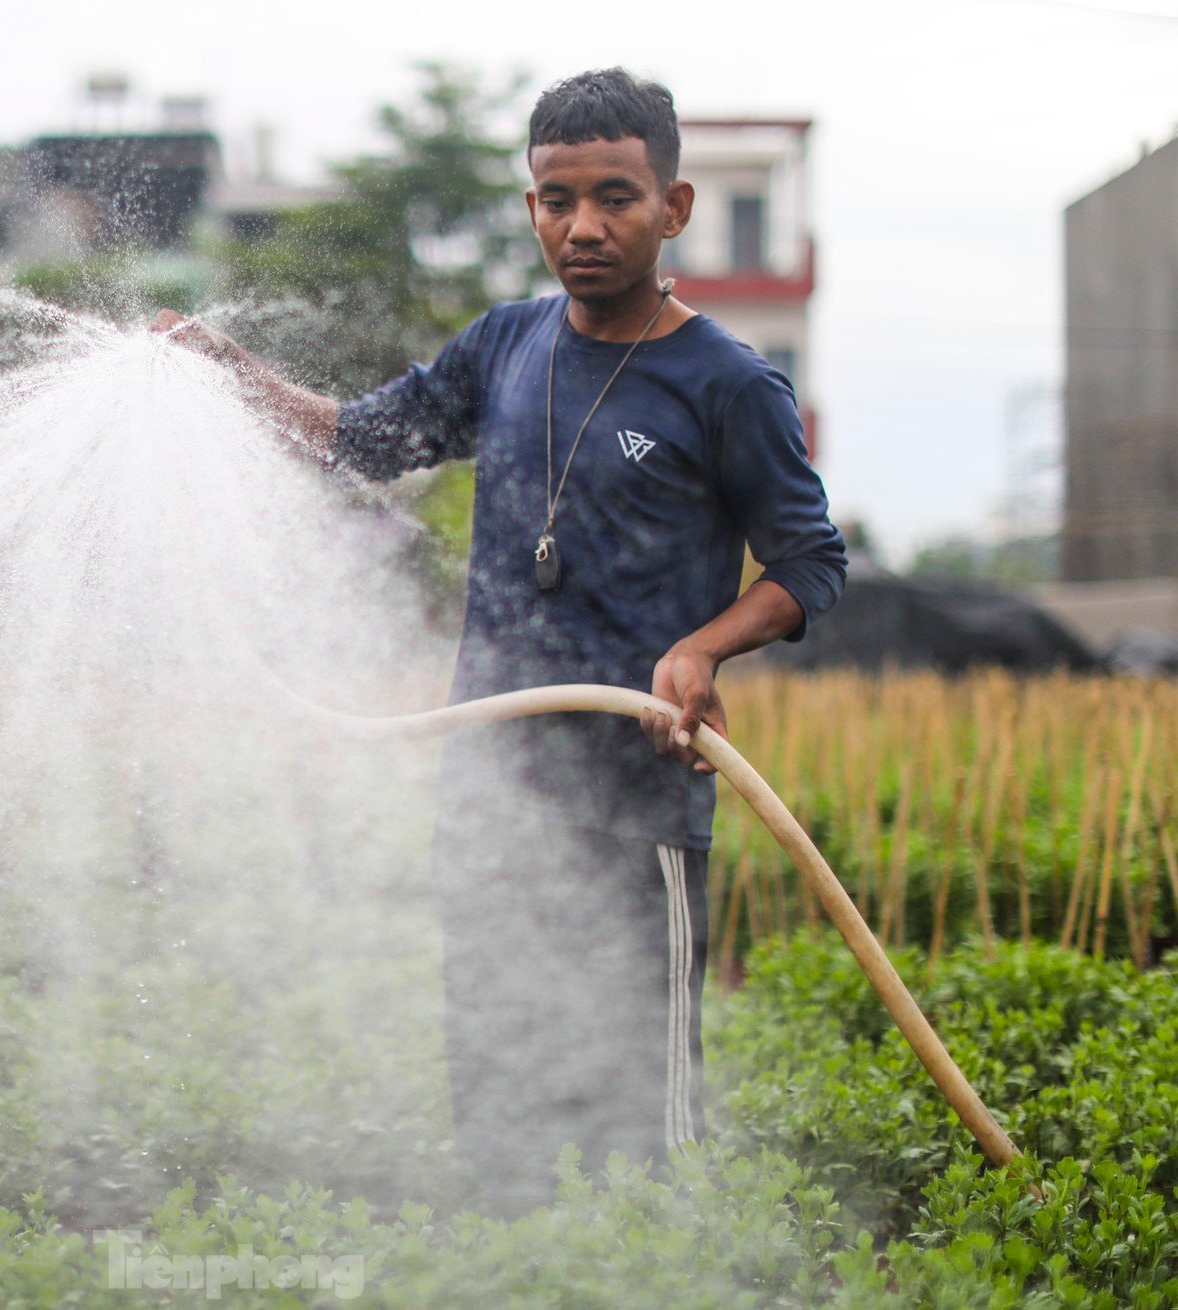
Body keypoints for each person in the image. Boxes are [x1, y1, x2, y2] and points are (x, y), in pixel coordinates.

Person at [153, 67, 846, 1213]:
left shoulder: (727, 383)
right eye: (554, 197)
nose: (581, 225)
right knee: (497, 1080)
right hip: (494, 794)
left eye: (615, 197)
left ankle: (662, 1276)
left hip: (637, 791)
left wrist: (702, 647)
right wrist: (224, 375)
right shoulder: (504, 345)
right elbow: (361, 439)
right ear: (529, 204)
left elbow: (811, 565)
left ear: (671, 210)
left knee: (642, 1104)